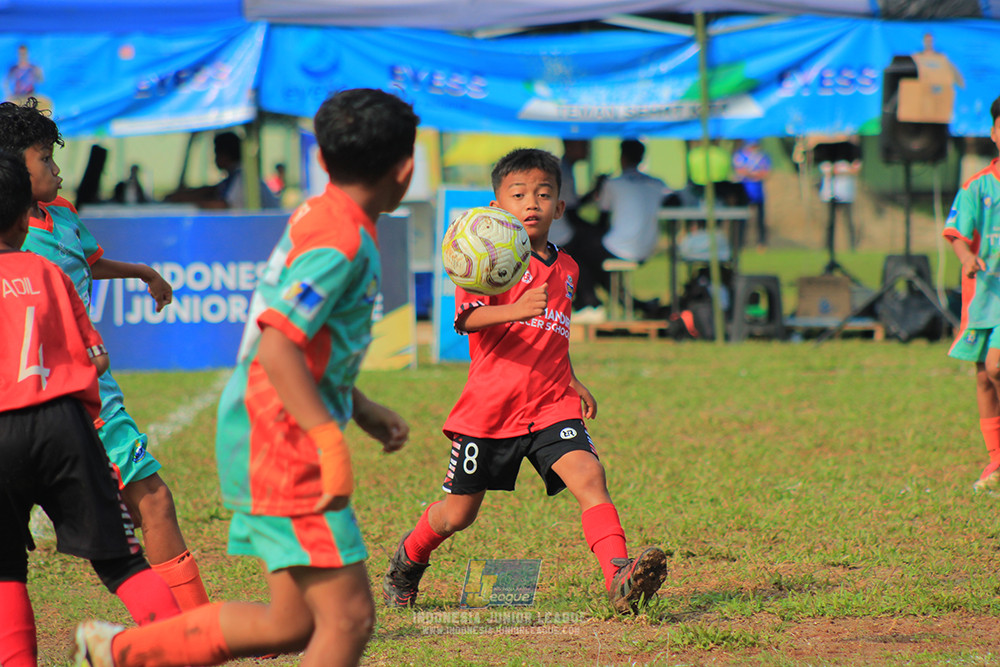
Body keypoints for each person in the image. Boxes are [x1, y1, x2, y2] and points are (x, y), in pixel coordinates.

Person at [73, 87, 416, 667]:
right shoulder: (342, 239)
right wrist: (328, 438)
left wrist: (358, 406)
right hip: (285, 440)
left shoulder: (324, 212)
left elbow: (307, 343)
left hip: (266, 429)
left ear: (322, 159)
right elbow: (279, 346)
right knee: (349, 618)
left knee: (292, 622)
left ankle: (120, 651)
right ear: (405, 170)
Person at [382, 147, 667, 615]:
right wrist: (515, 308)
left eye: (543, 193)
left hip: (550, 405)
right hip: (490, 411)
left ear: (560, 207)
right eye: (518, 194)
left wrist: (572, 379)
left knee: (590, 477)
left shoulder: (568, 268)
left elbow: (555, 331)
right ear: (496, 207)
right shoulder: (484, 261)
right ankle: (406, 563)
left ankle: (620, 577)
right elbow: (466, 320)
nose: (531, 203)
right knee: (458, 514)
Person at [0, 98, 210, 612]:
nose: (57, 170)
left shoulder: (64, 216)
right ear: (12, 167)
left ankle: (192, 628)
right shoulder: (11, 242)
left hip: (82, 396)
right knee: (152, 502)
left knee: (143, 508)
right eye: (45, 158)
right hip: (69, 397)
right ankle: (198, 630)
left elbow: (88, 262)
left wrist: (141, 271)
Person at [943, 94, 1000, 492]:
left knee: (997, 366)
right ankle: (996, 460)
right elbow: (958, 234)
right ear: (994, 134)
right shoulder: (977, 187)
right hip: (985, 294)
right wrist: (966, 257)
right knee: (983, 376)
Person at [572, 139, 667, 321]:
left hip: (619, 247)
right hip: (648, 248)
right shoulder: (657, 183)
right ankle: (638, 305)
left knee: (575, 252)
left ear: (622, 157)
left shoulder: (613, 183)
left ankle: (590, 304)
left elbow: (602, 221)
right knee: (596, 259)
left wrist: (596, 189)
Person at [165, 131, 280, 210]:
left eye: (216, 153)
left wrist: (189, 203)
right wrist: (183, 196)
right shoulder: (232, 176)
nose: (214, 158)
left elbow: (224, 205)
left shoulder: (242, 176)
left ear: (225, 155)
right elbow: (213, 189)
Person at [548, 139, 604, 252]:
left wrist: (594, 192)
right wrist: (598, 230)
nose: (588, 149)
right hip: (560, 237)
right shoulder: (564, 174)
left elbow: (572, 205)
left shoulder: (564, 168)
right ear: (569, 145)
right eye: (584, 144)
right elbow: (572, 215)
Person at [816, 137, 861, 252]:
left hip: (847, 192)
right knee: (829, 222)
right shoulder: (826, 153)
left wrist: (842, 170)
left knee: (849, 221)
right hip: (830, 192)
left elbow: (855, 169)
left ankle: (852, 246)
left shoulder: (853, 153)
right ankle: (827, 246)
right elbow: (826, 169)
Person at [732, 139, 772, 249]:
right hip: (744, 191)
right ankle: (740, 242)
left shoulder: (762, 156)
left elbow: (765, 173)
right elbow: (740, 171)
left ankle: (761, 243)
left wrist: (751, 174)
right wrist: (753, 174)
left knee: (760, 220)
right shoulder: (740, 156)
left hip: (758, 193)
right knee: (742, 219)